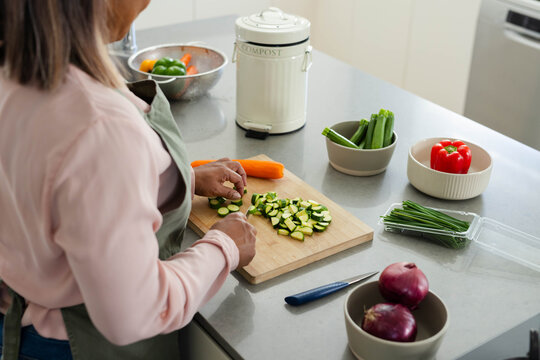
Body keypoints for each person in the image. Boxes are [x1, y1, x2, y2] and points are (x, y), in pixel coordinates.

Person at [0, 1, 257, 359]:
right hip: (78, 345)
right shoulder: (101, 129)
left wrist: (164, 179)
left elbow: (58, 188)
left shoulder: (17, 66)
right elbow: (138, 310)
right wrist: (224, 247)